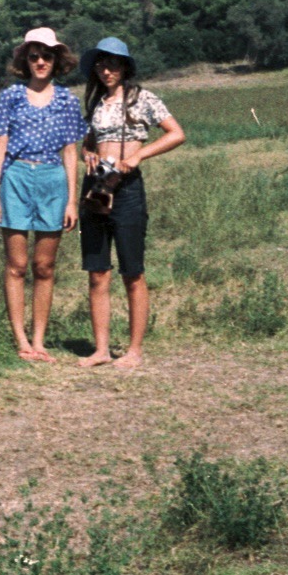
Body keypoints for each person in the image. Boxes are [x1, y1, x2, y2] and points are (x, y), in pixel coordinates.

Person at [77, 37, 184, 370]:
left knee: (132, 272)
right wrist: (88, 155)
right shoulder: (96, 103)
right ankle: (101, 350)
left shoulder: (142, 99)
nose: (106, 70)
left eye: (112, 64)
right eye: (100, 64)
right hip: (96, 188)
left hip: (127, 191)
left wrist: (139, 155)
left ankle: (135, 350)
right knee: (97, 272)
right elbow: (88, 144)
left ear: (125, 67)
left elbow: (175, 133)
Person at [0, 27, 88, 362]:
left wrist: (72, 200)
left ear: (57, 60)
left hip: (52, 180)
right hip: (15, 178)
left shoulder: (67, 100)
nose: (41, 62)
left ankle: (39, 340)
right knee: (16, 264)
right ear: (25, 60)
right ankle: (20, 340)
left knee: (44, 265)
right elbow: (0, 145)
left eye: (47, 55)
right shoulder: (11, 96)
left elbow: (70, 152)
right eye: (34, 56)